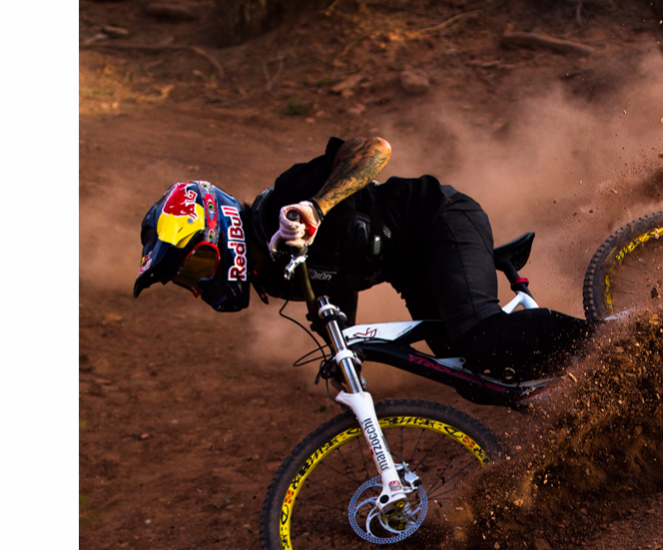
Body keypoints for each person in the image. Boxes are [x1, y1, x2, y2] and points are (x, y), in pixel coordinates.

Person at [134, 136, 592, 381]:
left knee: (479, 335)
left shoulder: (286, 198)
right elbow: (337, 286)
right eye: (185, 279)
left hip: (440, 218)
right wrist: (343, 354)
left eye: (195, 264)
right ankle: (584, 383)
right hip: (412, 269)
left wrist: (316, 206)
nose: (198, 284)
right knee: (470, 370)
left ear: (219, 229)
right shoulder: (276, 276)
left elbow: (375, 148)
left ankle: (610, 345)